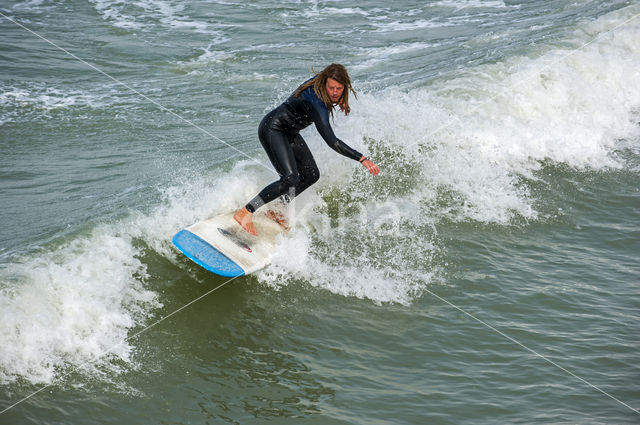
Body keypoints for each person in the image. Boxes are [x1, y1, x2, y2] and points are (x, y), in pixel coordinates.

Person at [234, 63, 380, 235]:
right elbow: (332, 141)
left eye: (338, 89)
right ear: (325, 83)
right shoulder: (317, 103)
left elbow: (337, 89)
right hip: (273, 129)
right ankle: (246, 212)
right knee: (290, 178)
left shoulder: (322, 84)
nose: (334, 92)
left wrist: (341, 98)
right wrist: (361, 158)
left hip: (289, 132)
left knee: (311, 174)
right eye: (331, 88)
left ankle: (276, 210)